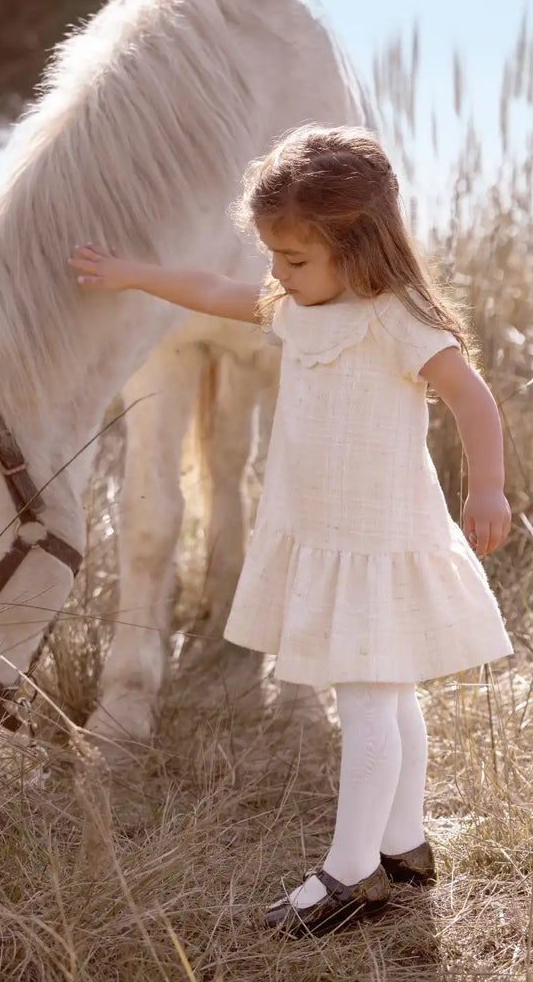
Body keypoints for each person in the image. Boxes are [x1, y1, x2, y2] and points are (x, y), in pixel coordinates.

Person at [68, 124, 513, 939]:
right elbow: (211, 287)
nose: (277, 272)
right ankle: (403, 843)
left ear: (361, 246)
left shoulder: (394, 318)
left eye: (295, 259)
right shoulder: (296, 308)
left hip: (375, 538)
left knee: (368, 701)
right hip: (321, 529)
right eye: (273, 256)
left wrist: (485, 485)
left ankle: (350, 875)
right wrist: (134, 274)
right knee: (390, 691)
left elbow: (470, 396)